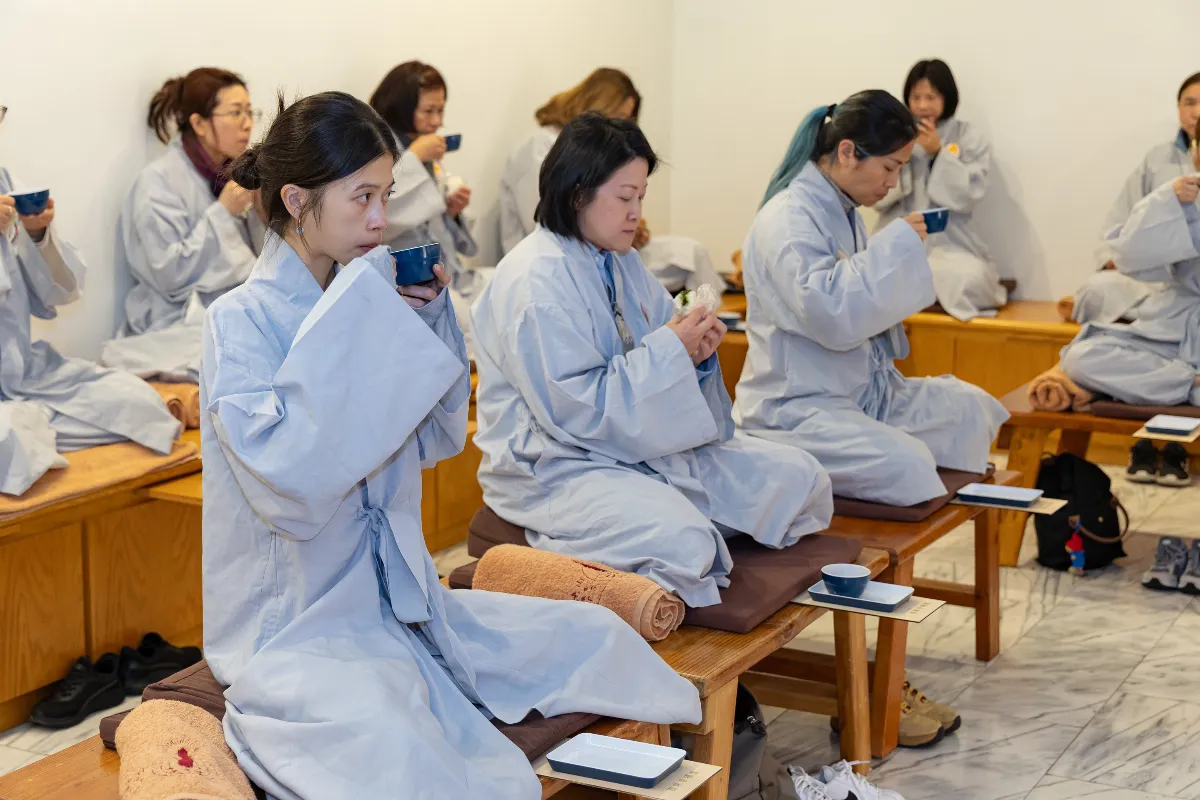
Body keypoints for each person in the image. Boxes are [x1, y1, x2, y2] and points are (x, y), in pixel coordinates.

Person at [201, 92, 700, 799]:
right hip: (299, 623)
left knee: (594, 640)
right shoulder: (240, 324)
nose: (381, 219)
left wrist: (429, 321)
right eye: (363, 197)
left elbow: (435, 441)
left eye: (387, 194)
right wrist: (374, 329)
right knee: (398, 748)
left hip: (400, 595)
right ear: (296, 199)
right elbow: (291, 485)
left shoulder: (366, 294)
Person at [473, 111, 832, 608]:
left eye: (641, 197)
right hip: (560, 466)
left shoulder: (620, 260)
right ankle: (555, 554)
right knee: (685, 541)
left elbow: (663, 340)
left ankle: (652, 521)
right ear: (578, 193)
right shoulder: (536, 281)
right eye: (625, 197)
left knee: (799, 478)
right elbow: (577, 410)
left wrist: (697, 353)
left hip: (639, 445)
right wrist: (669, 352)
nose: (636, 212)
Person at [735, 91, 1009, 507]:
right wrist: (893, 248)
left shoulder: (843, 212)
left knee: (970, 410)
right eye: (889, 167)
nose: (892, 183)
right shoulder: (788, 217)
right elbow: (828, 312)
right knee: (908, 464)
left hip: (862, 396)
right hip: (796, 410)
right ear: (847, 152)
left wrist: (890, 250)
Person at [0, 105, 180, 495]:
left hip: (27, 376)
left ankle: (37, 429)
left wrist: (36, 237)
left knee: (137, 400)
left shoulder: (5, 185)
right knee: (12, 440)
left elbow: (58, 293)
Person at [499, 67, 726, 296]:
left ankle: (707, 320)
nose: (621, 129)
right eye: (619, 117)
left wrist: (630, 226)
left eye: (640, 197)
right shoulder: (541, 146)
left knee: (691, 253)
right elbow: (548, 218)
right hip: (570, 250)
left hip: (598, 247)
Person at [102, 67, 263, 382]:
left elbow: (258, 261)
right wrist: (223, 213)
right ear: (200, 124)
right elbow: (167, 272)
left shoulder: (234, 176)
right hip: (175, 317)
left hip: (230, 307)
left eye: (249, 111)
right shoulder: (156, 182)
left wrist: (260, 210)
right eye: (235, 112)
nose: (247, 123)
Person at [1060, 171, 1200, 487]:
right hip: (1175, 319)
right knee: (1083, 357)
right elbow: (1128, 257)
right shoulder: (1180, 190)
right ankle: (1190, 385)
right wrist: (1166, 202)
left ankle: (1171, 384)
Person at [873, 59, 1006, 321]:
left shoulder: (968, 136)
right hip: (899, 241)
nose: (923, 106)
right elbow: (877, 196)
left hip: (953, 245)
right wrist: (904, 154)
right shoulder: (894, 136)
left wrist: (938, 154)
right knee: (877, 270)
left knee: (965, 279)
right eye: (916, 97)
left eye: (931, 97)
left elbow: (971, 195)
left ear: (947, 98)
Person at [370, 61, 488, 354]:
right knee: (468, 324)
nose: (436, 121)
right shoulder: (375, 145)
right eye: (428, 111)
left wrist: (450, 212)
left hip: (445, 270)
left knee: (503, 289)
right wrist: (413, 157)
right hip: (403, 281)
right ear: (401, 107)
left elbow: (425, 212)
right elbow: (384, 213)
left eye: (440, 110)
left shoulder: (422, 149)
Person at [1071, 72, 1200, 324]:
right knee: (1096, 290)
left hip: (1192, 285)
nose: (1196, 112)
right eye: (1189, 102)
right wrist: (1115, 257)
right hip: (1154, 278)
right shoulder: (1156, 159)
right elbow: (1123, 216)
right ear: (1178, 108)